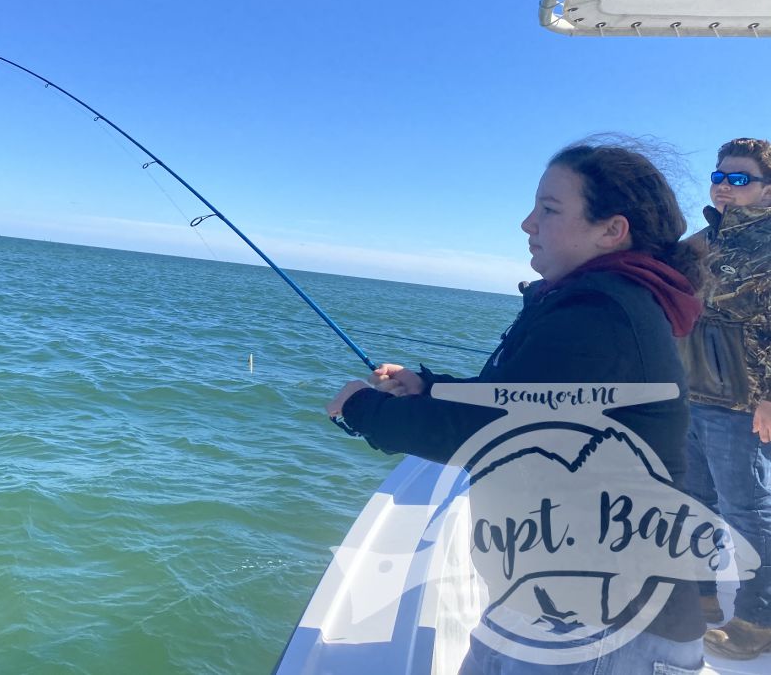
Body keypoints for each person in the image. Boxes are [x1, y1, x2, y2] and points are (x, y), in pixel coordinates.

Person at [326, 141, 706, 674]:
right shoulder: (603, 301)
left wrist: (363, 408)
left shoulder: (603, 313)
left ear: (611, 230)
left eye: (549, 210)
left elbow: (491, 435)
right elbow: (522, 400)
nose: (527, 223)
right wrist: (428, 387)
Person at [678, 137, 771, 660]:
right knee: (695, 500)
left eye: (740, 178)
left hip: (745, 398)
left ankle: (759, 619)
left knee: (750, 512)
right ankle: (700, 597)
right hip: (694, 386)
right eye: (719, 176)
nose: (724, 186)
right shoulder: (712, 236)